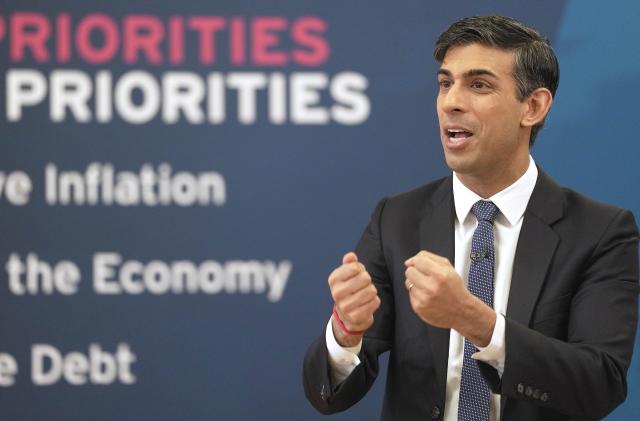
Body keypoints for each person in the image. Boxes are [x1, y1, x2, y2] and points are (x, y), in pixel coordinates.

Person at [302, 15, 639, 421]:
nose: (451, 102)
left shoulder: (600, 232)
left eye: (478, 85)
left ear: (532, 106)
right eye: (446, 83)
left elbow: (600, 384)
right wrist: (346, 332)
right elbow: (329, 396)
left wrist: (474, 320)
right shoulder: (397, 218)